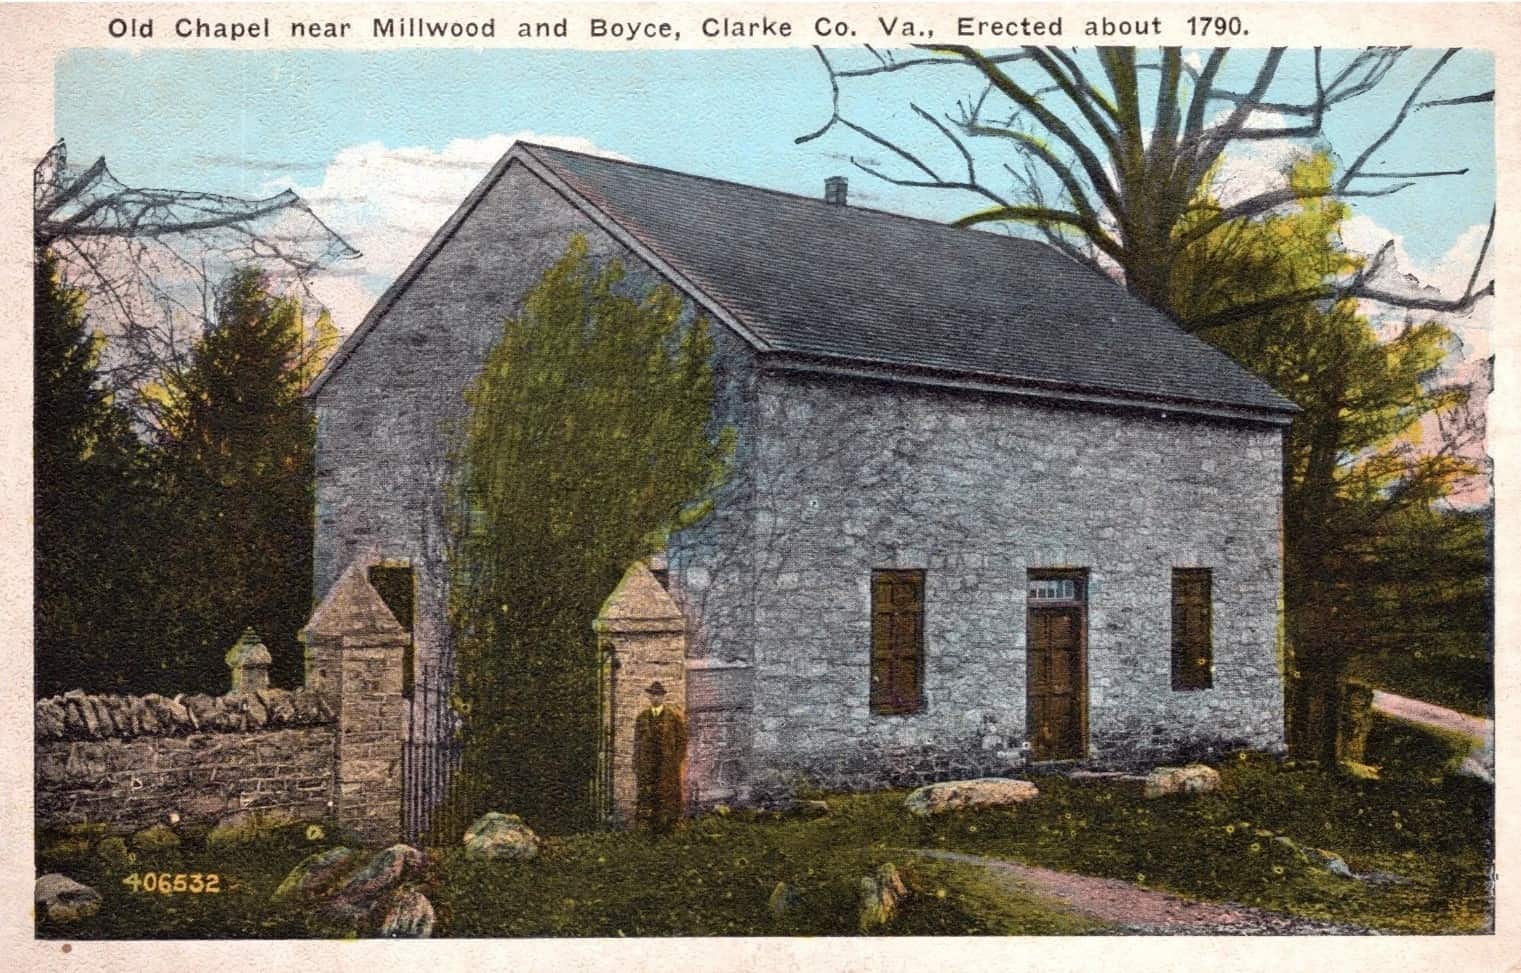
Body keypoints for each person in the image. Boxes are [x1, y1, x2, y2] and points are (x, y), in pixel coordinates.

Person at [633, 680, 687, 834]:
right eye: (653, 695)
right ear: (649, 697)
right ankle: (650, 828)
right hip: (648, 764)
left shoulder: (673, 717)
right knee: (648, 795)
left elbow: (682, 741)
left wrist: (676, 761)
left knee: (667, 795)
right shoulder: (642, 718)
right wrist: (637, 762)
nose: (655, 698)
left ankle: (669, 827)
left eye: (658, 695)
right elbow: (637, 742)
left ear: (663, 697)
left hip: (666, 764)